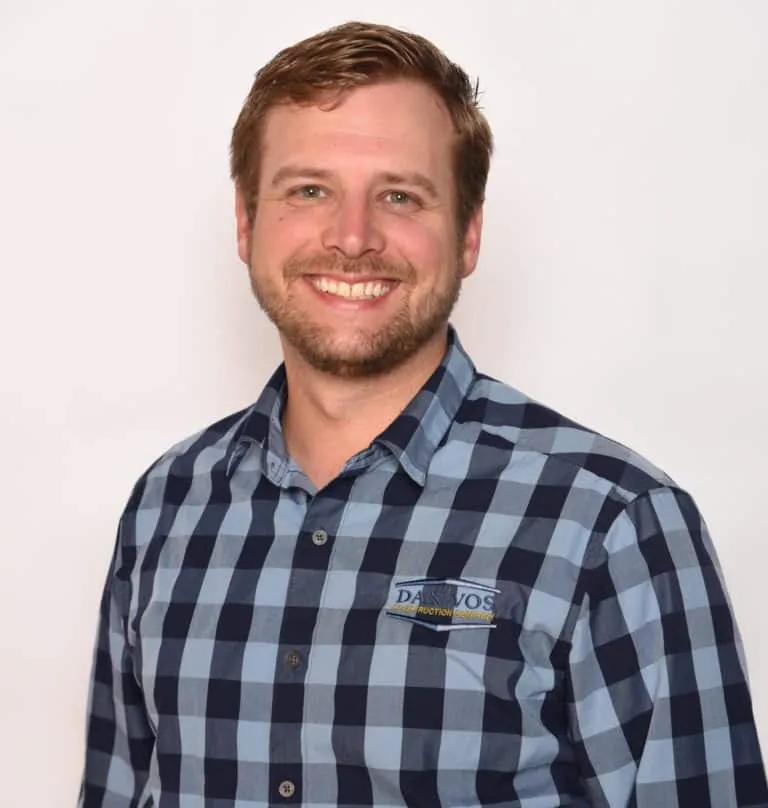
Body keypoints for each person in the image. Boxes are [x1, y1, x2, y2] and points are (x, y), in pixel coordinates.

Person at [78, 20, 767, 808]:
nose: (352, 238)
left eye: (400, 196)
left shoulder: (612, 523)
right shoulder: (167, 506)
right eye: (309, 191)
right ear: (246, 222)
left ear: (468, 234)